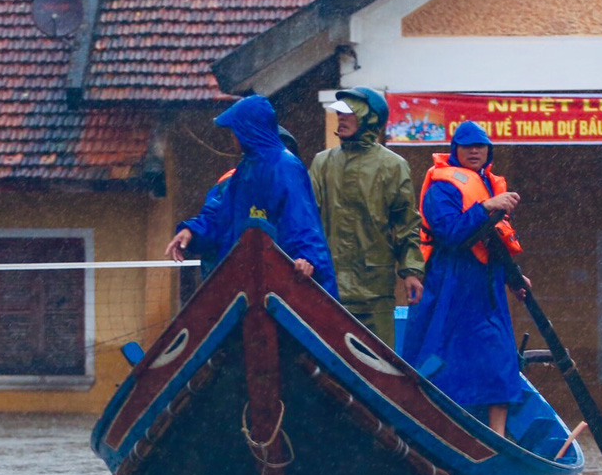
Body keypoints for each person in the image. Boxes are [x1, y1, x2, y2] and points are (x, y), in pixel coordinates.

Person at [399, 121, 529, 437]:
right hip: (450, 286)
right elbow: (451, 234)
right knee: (445, 357)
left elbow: (495, 241)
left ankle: (497, 437)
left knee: (499, 359)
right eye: (468, 146)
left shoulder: (489, 183)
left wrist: (514, 278)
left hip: (487, 288)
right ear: (455, 150)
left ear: (488, 151)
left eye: (480, 146)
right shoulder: (442, 187)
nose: (474, 151)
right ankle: (438, 431)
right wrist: (485, 207)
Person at [167, 96, 337, 295]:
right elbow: (222, 216)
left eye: (234, 131)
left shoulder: (285, 166)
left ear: (247, 130)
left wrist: (307, 257)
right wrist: (192, 231)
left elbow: (302, 220)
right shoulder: (245, 169)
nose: (232, 138)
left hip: (286, 283)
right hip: (251, 282)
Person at [308, 87, 424, 348]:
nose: (342, 118)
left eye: (351, 113)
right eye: (340, 113)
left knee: (379, 364)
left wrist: (411, 271)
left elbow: (406, 224)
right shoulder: (322, 163)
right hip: (329, 283)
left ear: (370, 119)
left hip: (375, 289)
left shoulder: (392, 166)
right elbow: (307, 221)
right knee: (329, 364)